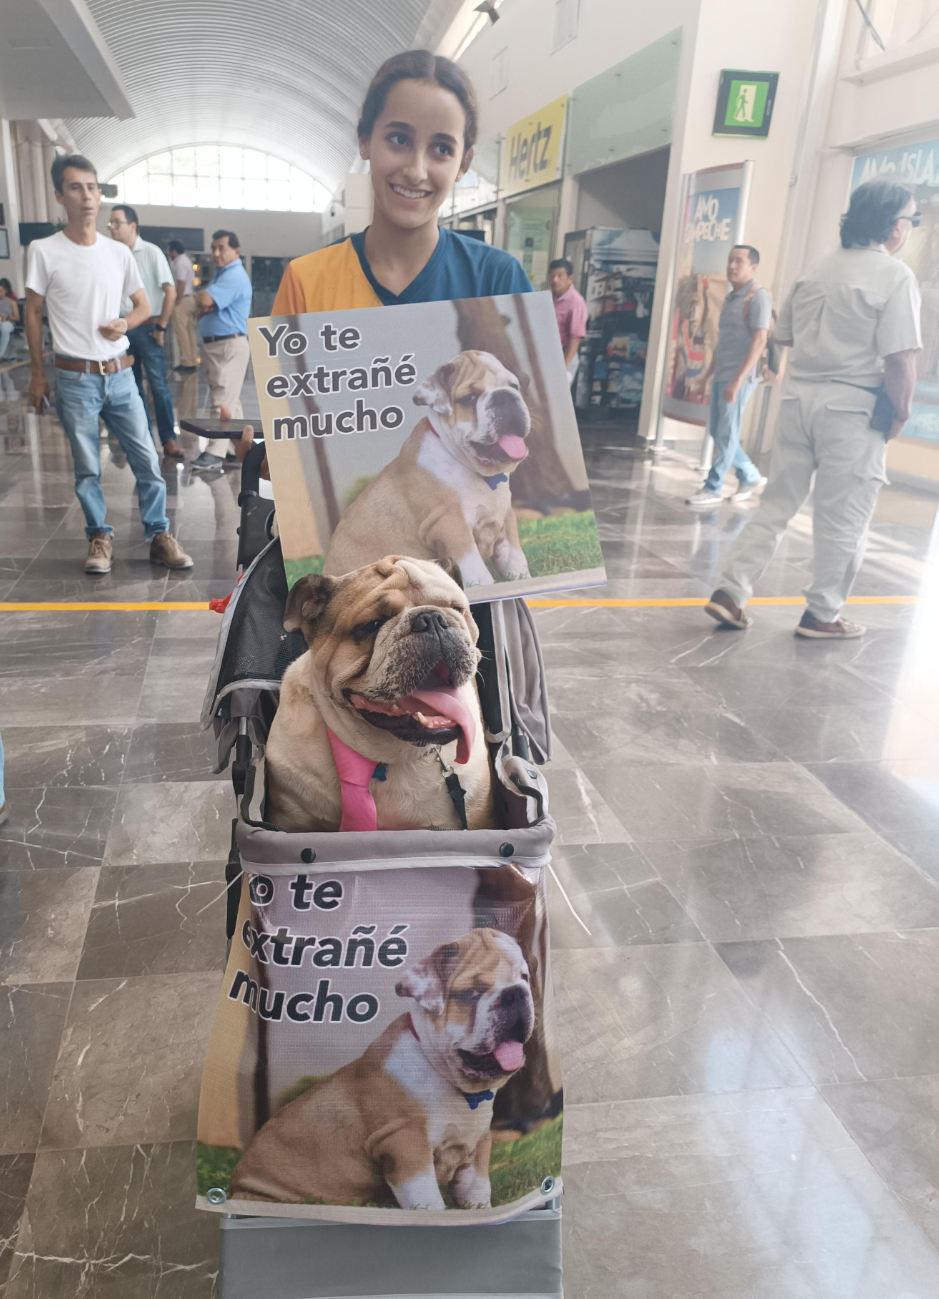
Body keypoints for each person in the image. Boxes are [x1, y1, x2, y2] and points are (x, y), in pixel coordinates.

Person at [235, 48, 531, 481]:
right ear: (364, 140)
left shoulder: (499, 279)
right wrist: (266, 461)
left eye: (442, 149)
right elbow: (294, 441)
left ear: (464, 162)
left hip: (460, 528)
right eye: (399, 139)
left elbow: (526, 438)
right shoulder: (307, 281)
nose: (415, 169)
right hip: (348, 533)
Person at [705, 180, 921, 640]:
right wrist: (899, 412)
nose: (908, 229)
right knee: (843, 516)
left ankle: (731, 592)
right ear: (893, 226)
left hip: (800, 401)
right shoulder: (895, 276)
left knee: (777, 503)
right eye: (909, 220)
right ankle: (822, 613)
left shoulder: (818, 267)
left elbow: (783, 338)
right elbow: (901, 357)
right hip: (853, 408)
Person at [24, 153, 193, 574]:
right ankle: (99, 536)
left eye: (93, 187)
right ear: (60, 195)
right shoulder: (44, 251)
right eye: (77, 188)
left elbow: (143, 305)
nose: (87, 196)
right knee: (86, 468)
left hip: (119, 375)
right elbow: (31, 313)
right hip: (74, 377)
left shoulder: (118, 253)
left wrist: (126, 322)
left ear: (100, 194)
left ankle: (159, 534)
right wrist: (38, 376)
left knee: (148, 460)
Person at [685, 244, 771, 507]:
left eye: (738, 262)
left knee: (728, 432)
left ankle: (713, 487)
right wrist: (708, 374)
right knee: (718, 432)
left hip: (740, 377)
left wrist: (737, 381)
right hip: (723, 372)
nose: (731, 266)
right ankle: (750, 475)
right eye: (730, 261)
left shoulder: (758, 297)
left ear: (752, 267)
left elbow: (759, 341)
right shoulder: (733, 298)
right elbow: (725, 342)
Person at [108, 204, 182, 459]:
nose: (112, 228)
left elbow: (170, 292)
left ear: (133, 226)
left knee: (159, 385)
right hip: (121, 329)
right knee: (132, 386)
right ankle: (146, 440)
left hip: (149, 327)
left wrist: (161, 326)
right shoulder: (112, 255)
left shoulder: (151, 252)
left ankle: (169, 439)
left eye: (117, 222)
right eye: (110, 224)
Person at [191, 229, 253, 471]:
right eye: (213, 248)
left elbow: (204, 301)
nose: (215, 253)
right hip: (219, 345)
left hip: (229, 345)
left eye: (221, 248)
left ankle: (214, 453)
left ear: (236, 251)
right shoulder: (222, 275)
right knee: (231, 401)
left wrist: (203, 301)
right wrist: (203, 299)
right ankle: (231, 450)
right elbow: (203, 299)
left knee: (221, 400)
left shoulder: (234, 275)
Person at [548, 258, 587, 385]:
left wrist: (563, 366)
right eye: (552, 275)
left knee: (558, 398)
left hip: (565, 356)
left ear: (570, 278)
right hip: (549, 356)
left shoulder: (576, 302)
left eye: (560, 276)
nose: (555, 280)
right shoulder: (547, 297)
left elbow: (576, 337)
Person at [168, 239, 199, 371]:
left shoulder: (179, 262)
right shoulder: (186, 260)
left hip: (183, 300)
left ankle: (187, 362)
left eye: (169, 250)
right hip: (190, 298)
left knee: (181, 332)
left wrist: (176, 301)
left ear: (174, 251)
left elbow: (181, 283)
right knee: (189, 331)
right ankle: (192, 359)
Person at [0, 278, 20, 359]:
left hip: (8, 322)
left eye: (1, 291)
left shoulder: (12, 302)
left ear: (5, 291)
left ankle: (1, 354)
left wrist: (7, 317)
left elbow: (17, 318)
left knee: (4, 327)